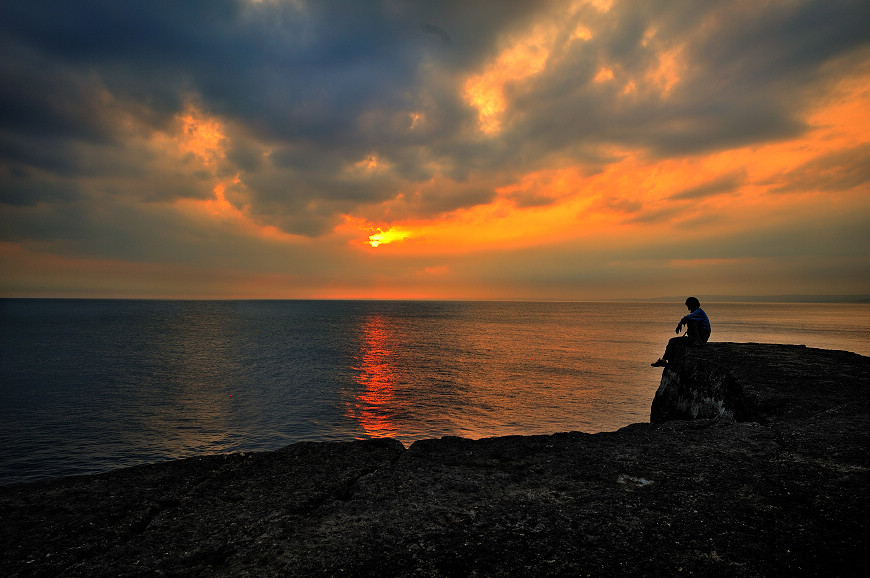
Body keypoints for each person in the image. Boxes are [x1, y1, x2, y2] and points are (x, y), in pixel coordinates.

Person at [651, 297, 711, 367]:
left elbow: (687, 318)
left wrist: (680, 324)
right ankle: (664, 360)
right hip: (696, 337)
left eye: (689, 306)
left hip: (702, 336)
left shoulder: (699, 312)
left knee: (690, 321)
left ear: (694, 305)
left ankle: (696, 341)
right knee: (672, 341)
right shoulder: (696, 313)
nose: (688, 308)